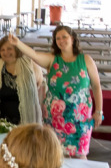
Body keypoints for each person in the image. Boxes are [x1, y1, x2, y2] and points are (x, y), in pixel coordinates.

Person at [10, 26, 103, 158]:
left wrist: (99, 111)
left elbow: (96, 86)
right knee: (55, 153)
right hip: (55, 117)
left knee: (80, 153)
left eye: (64, 36)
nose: (61, 40)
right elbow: (34, 55)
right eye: (57, 38)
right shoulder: (52, 59)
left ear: (72, 38)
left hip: (80, 117)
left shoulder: (86, 60)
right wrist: (17, 43)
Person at [0, 35, 41, 126]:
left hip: (24, 121)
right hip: (0, 120)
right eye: (2, 50)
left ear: (17, 49)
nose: (6, 52)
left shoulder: (29, 64)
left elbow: (38, 84)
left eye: (9, 49)